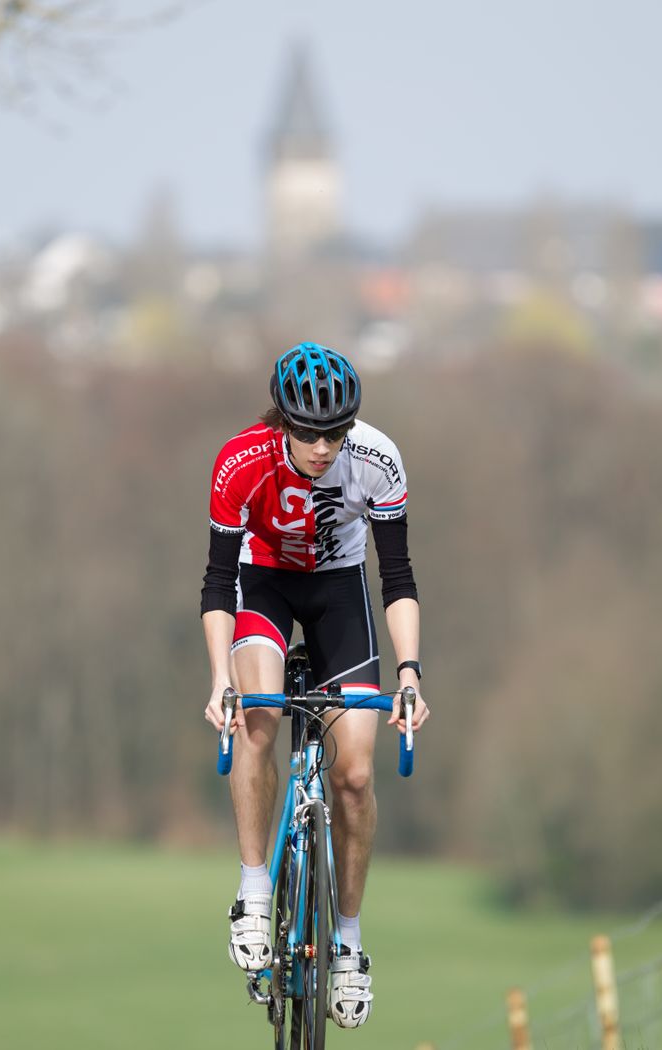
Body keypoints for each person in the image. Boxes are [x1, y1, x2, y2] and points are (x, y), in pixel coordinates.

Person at [202, 342, 429, 1028]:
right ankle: (254, 888)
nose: (324, 448)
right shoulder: (240, 460)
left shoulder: (379, 459)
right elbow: (216, 582)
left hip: (338, 591)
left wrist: (411, 672)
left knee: (355, 774)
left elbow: (398, 579)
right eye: (308, 433)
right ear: (282, 422)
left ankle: (350, 942)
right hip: (263, 582)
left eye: (336, 432)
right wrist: (220, 679)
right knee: (259, 720)